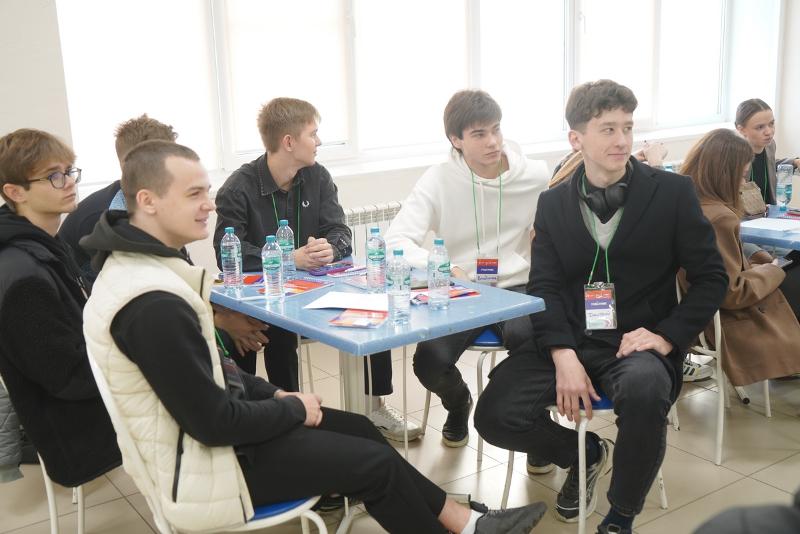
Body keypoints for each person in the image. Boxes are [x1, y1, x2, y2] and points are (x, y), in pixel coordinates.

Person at [81, 139, 547, 534]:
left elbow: (214, 377)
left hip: (211, 445)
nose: (210, 204)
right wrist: (289, 408)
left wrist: (275, 395)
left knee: (361, 428)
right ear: (148, 201)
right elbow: (213, 422)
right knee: (375, 466)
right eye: (194, 194)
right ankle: (466, 527)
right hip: (209, 472)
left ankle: (467, 523)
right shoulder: (154, 304)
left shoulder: (136, 269)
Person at [474, 80, 728, 534]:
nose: (622, 140)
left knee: (646, 390)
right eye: (608, 129)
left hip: (636, 343)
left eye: (627, 127)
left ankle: (620, 517)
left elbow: (712, 278)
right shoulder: (552, 203)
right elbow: (545, 286)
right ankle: (587, 454)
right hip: (569, 338)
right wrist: (562, 354)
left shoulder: (673, 193)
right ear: (576, 139)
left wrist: (666, 336)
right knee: (493, 415)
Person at [213, 97, 417, 441]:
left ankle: (374, 406)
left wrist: (330, 248)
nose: (319, 142)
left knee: (373, 304)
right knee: (273, 332)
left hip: (315, 289)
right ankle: (288, 418)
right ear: (288, 142)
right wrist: (289, 258)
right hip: (264, 297)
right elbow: (227, 253)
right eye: (313, 134)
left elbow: (340, 231)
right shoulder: (239, 187)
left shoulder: (317, 176)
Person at [384, 89, 549, 449]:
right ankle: (458, 402)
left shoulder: (535, 175)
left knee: (533, 345)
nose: (493, 142)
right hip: (462, 288)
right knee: (429, 362)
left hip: (517, 287)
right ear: (455, 140)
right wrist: (447, 267)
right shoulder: (439, 179)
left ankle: (535, 428)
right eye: (479, 134)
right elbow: (395, 239)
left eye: (496, 129)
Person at [57, 114, 269, 368]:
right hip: (115, 340)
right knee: (228, 338)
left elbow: (182, 274)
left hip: (159, 317)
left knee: (244, 327)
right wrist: (221, 321)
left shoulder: (159, 210)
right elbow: (130, 311)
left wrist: (226, 314)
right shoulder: (106, 221)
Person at [0, 129, 121, 487]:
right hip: (80, 432)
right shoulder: (23, 273)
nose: (69, 182)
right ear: (15, 192)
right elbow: (67, 378)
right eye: (54, 176)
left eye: (69, 171)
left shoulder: (46, 245)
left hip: (92, 403)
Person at [680, 128, 800, 385]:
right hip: (726, 317)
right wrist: (772, 270)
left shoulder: (683, 203)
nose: (743, 184)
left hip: (691, 309)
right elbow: (732, 292)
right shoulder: (719, 217)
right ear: (726, 174)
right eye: (742, 176)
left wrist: (756, 263)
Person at [735, 99, 800, 267]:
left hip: (768, 218)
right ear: (741, 129)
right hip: (745, 228)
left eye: (771, 124)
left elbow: (769, 164)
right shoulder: (733, 158)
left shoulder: (769, 146)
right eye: (760, 127)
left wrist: (794, 162)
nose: (769, 132)